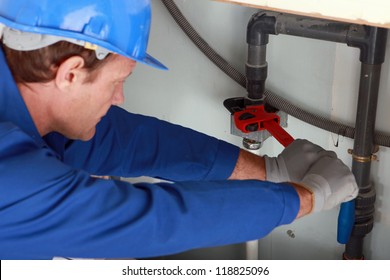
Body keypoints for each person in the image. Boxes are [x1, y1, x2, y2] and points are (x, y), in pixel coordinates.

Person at [0, 0, 358, 260]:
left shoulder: (26, 96)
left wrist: (269, 171)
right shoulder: (10, 176)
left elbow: (126, 141)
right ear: (70, 74)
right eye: (117, 82)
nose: (120, 98)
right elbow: (150, 223)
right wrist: (308, 197)